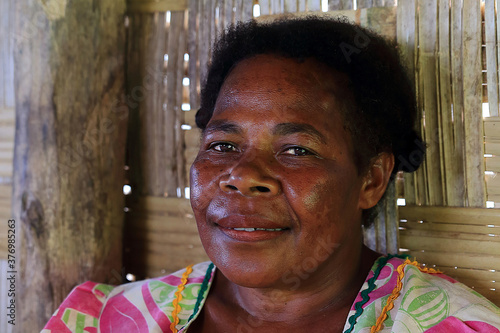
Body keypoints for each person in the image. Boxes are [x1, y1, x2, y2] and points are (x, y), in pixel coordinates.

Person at [43, 16, 500, 333]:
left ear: (372, 180)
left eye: (296, 149)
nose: (243, 176)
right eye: (222, 145)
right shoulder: (107, 320)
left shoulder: (453, 325)